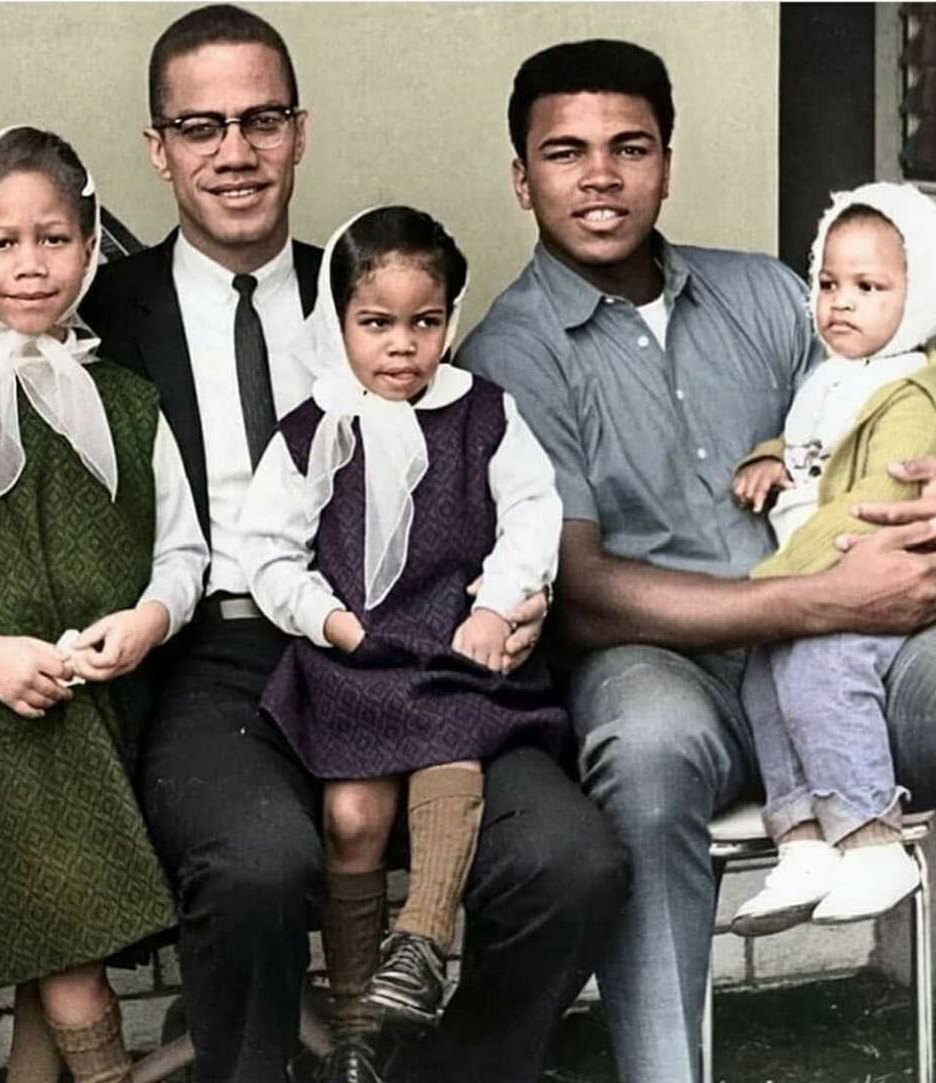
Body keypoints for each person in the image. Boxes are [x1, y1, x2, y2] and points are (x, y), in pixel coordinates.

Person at [0, 10, 623, 1083]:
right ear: (158, 148)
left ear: (300, 132)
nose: (234, 152)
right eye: (200, 126)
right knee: (254, 865)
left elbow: (482, 470)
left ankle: (442, 1074)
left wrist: (515, 592)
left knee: (572, 862)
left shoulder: (379, 289)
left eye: (261, 120)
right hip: (212, 657)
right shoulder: (83, 317)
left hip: (419, 653)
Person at [457, 38, 936, 1083]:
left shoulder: (774, 297)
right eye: (565, 153)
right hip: (667, 666)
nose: (600, 175)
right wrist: (820, 600)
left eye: (629, 146)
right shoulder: (508, 353)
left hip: (850, 670)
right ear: (522, 179)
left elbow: (882, 428)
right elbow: (589, 595)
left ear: (667, 159)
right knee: (642, 752)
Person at [0, 126, 207, 1083]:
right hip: (5, 729)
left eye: (54, 239)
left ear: (88, 243)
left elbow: (183, 551)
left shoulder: (129, 402)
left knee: (50, 959)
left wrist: (148, 619)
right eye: (2, 243)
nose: (30, 265)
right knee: (73, 963)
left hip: (109, 707)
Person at [241, 206, 570, 1080]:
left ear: (450, 322)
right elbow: (267, 550)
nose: (401, 346)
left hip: (451, 649)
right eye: (375, 323)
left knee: (451, 761)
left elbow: (534, 514)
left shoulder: (484, 414)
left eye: (425, 323)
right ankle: (356, 1028)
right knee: (353, 814)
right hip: (352, 656)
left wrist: (498, 606)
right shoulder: (315, 429)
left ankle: (421, 940)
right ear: (337, 322)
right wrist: (326, 618)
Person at [730, 183, 936, 935]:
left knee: (821, 670)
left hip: (872, 575)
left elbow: (866, 504)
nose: (842, 303)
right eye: (829, 283)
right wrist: (771, 458)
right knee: (765, 677)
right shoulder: (833, 375)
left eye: (870, 287)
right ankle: (801, 840)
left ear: (918, 296)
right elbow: (811, 451)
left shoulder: (907, 396)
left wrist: (780, 581)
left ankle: (870, 836)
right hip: (818, 579)